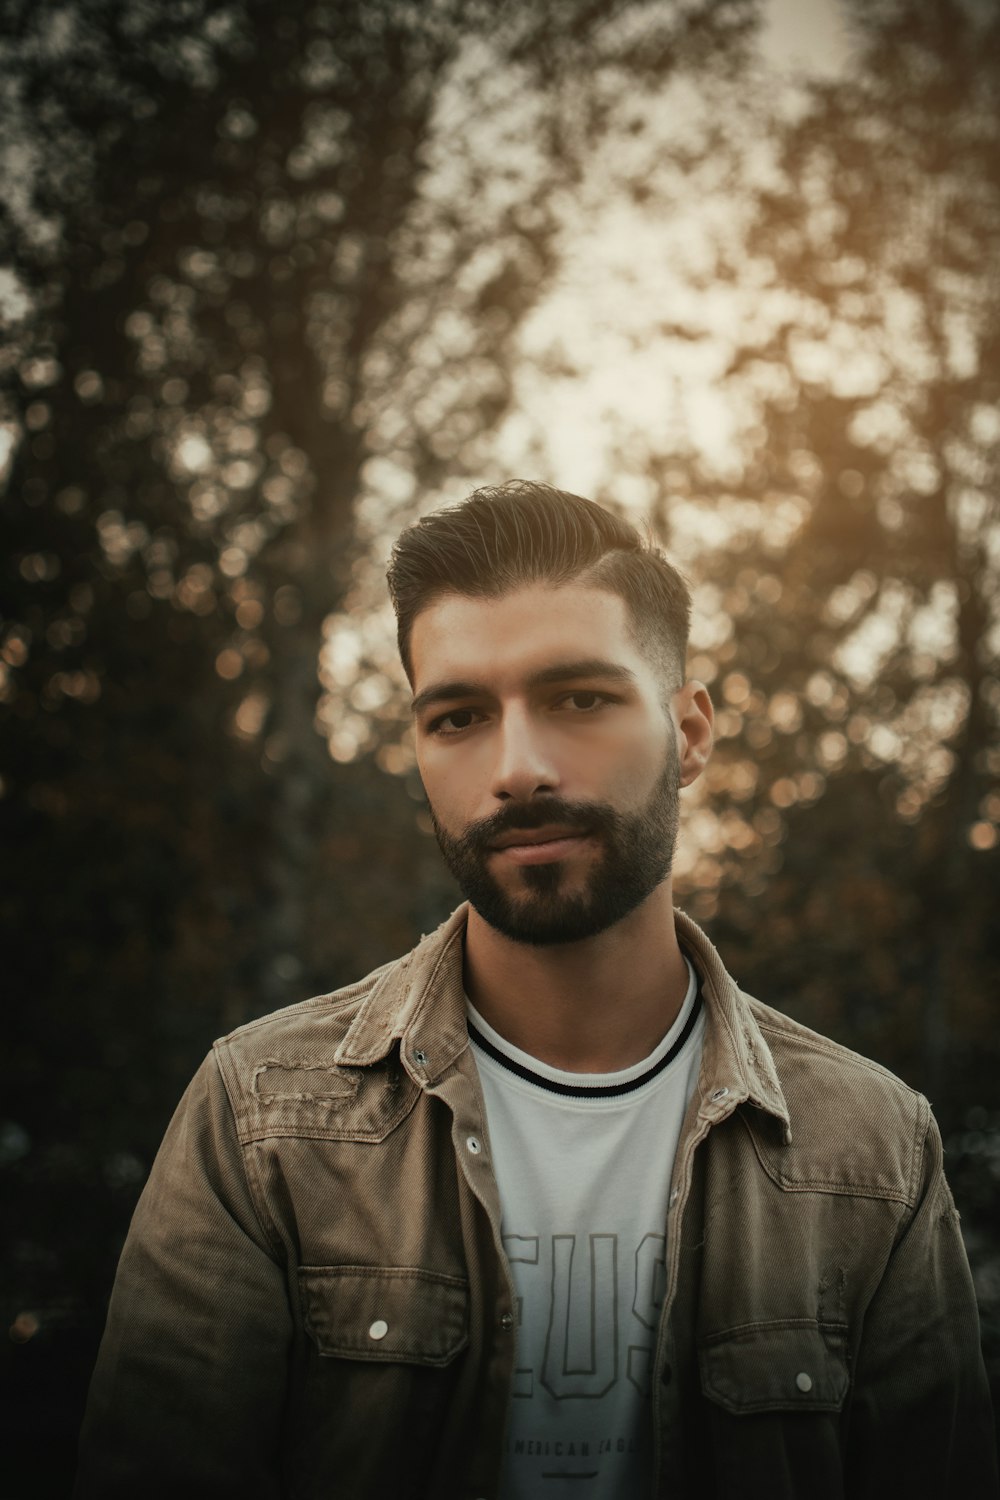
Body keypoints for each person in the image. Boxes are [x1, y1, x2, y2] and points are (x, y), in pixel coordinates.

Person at [75, 481, 997, 1499]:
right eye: (459, 716)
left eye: (579, 699)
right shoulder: (260, 1119)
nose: (517, 768)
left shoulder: (870, 1149)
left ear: (689, 733)